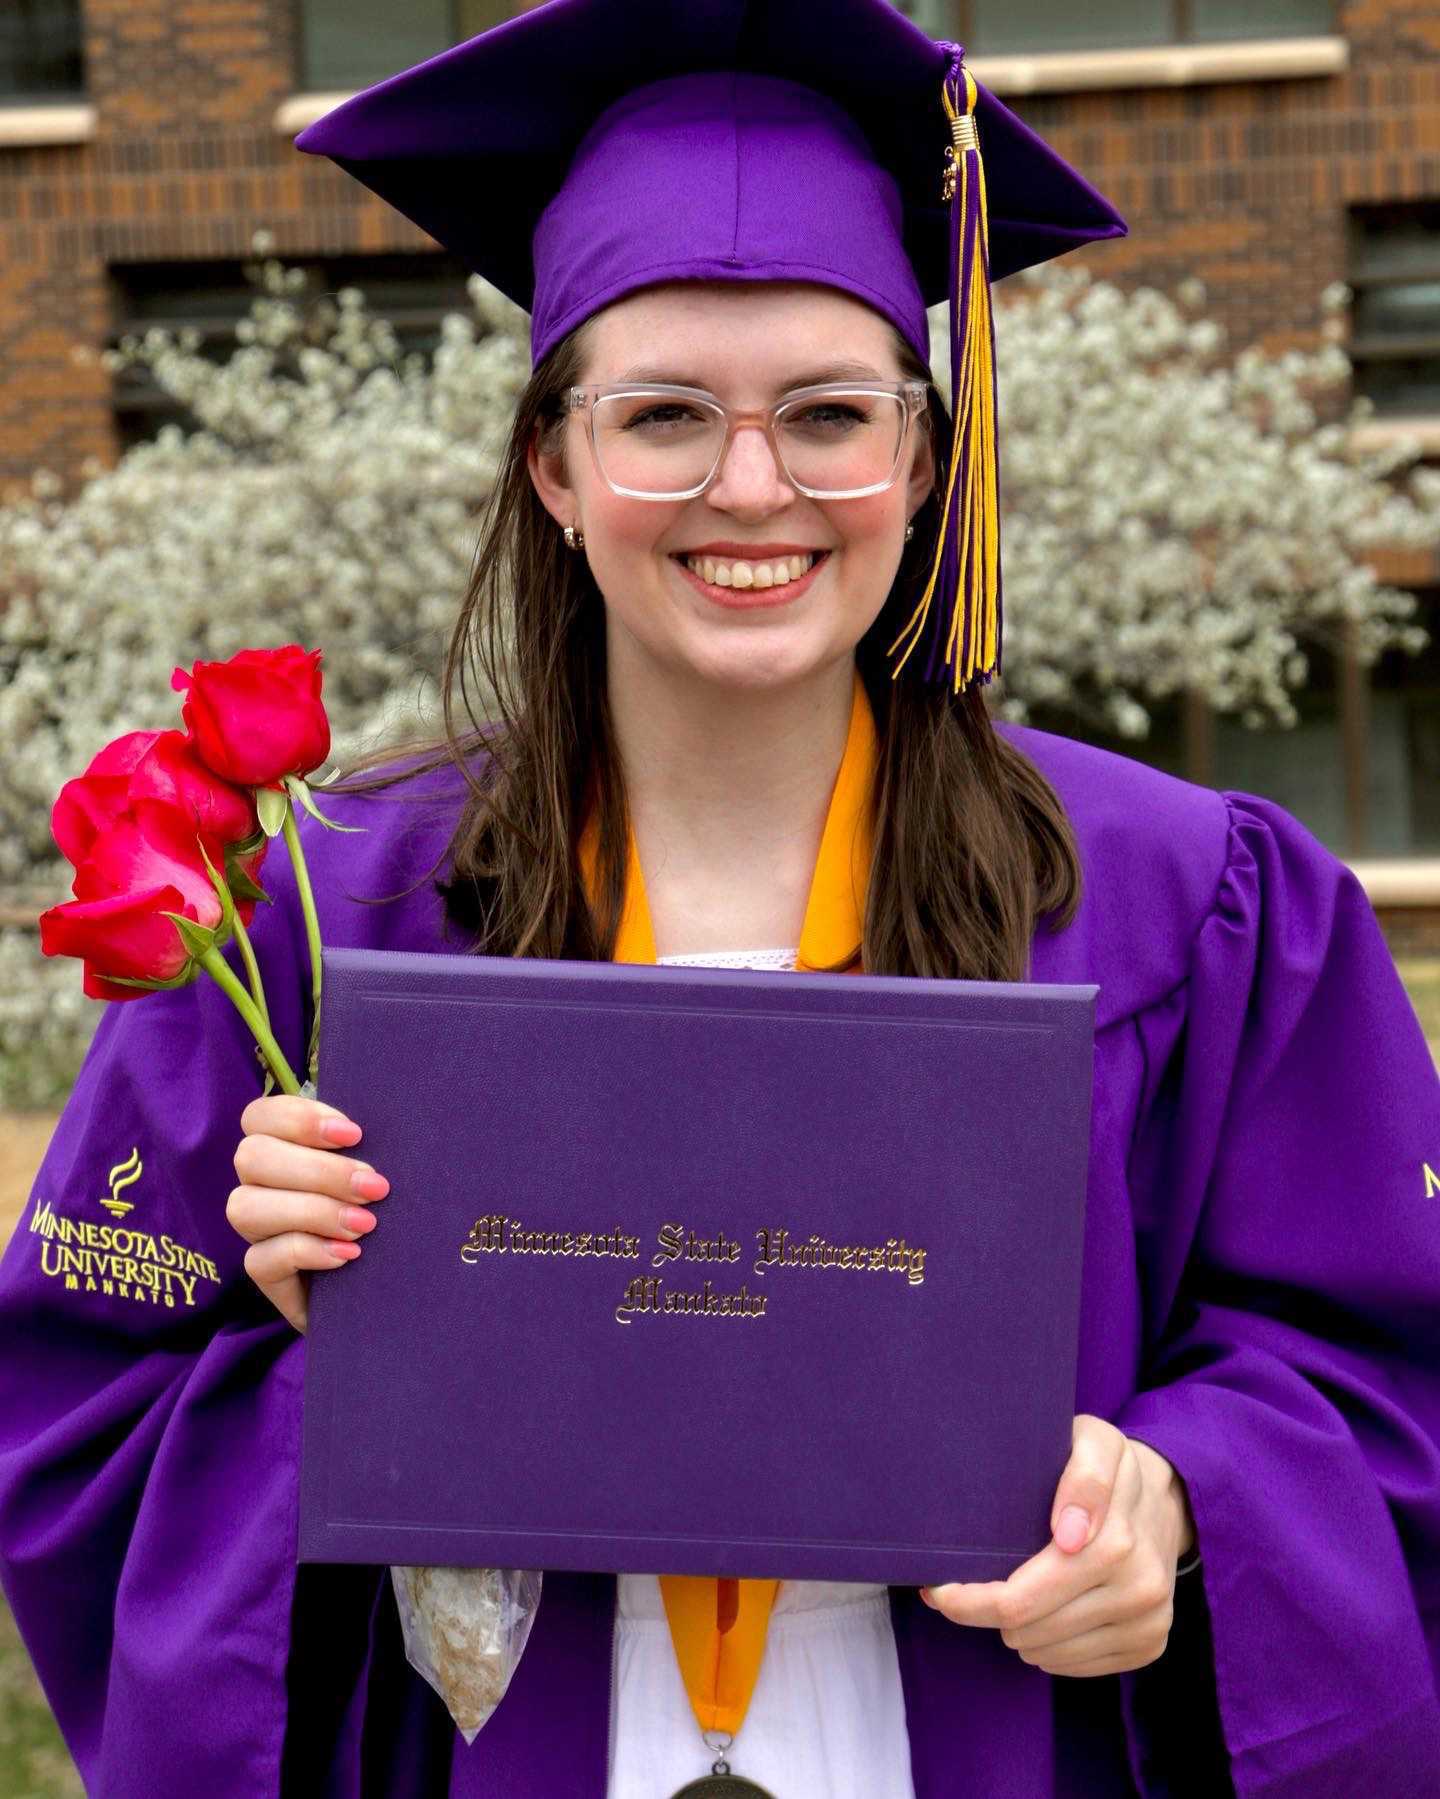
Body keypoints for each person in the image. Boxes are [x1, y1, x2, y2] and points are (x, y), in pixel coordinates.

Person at [3, 1, 1439, 1795]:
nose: (750, 488)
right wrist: (318, 1347)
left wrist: (1187, 1500)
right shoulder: (314, 922)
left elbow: (1384, 1368)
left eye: (831, 416)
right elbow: (78, 1420)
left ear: (924, 464)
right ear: (551, 466)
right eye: (663, 415)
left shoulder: (1190, 906)